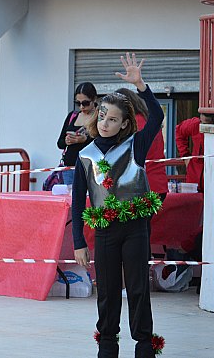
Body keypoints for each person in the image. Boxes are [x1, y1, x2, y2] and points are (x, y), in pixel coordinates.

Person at [73, 53, 165, 358]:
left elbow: (157, 116)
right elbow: (77, 202)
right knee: (108, 290)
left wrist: (140, 85)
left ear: (125, 123)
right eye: (102, 116)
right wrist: (78, 243)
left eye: (113, 119)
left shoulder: (135, 146)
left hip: (136, 227)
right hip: (105, 230)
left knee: (138, 288)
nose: (105, 123)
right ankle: (108, 344)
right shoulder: (85, 155)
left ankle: (143, 344)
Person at [57, 82, 97, 185]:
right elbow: (60, 143)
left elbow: (104, 141)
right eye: (78, 103)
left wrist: (85, 140)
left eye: (85, 103)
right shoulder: (72, 116)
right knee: (71, 198)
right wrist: (67, 141)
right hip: (70, 166)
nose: (81, 107)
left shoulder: (100, 117)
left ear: (94, 100)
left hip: (91, 167)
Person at [176, 113, 214, 193]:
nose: (204, 128)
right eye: (203, 124)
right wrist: (185, 156)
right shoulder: (195, 124)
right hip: (194, 179)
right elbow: (179, 131)